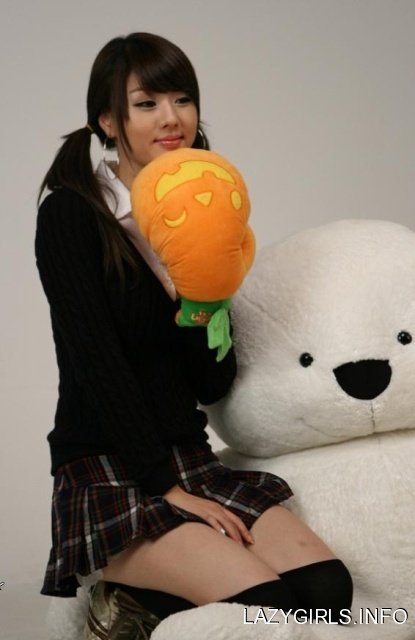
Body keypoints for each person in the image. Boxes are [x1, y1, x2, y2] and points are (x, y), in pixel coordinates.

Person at [36, 32, 353, 636]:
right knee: (268, 609)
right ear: (108, 120)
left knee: (327, 594)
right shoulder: (72, 214)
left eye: (182, 99)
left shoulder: (205, 209)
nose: (171, 118)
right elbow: (98, 364)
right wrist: (166, 488)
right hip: (107, 464)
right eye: (147, 103)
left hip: (189, 455)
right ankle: (124, 601)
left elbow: (213, 383)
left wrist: (202, 300)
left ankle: (146, 598)